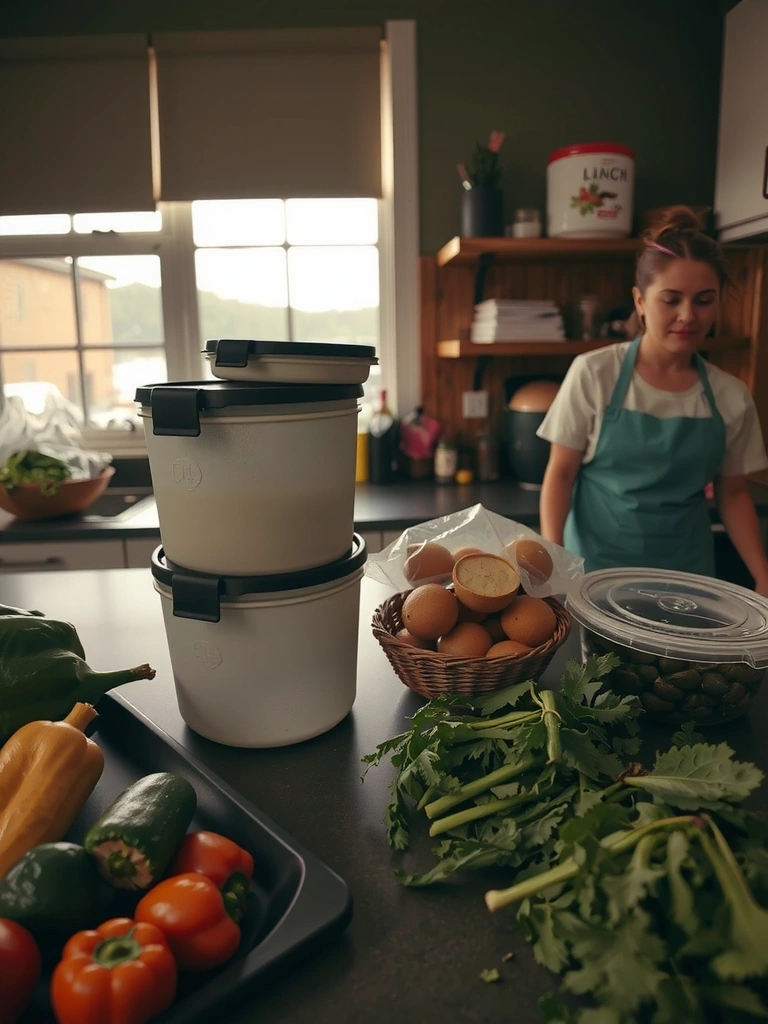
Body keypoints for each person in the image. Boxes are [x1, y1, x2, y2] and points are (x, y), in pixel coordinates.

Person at [538, 206, 768, 592]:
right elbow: (561, 474)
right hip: (595, 574)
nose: (687, 315)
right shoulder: (596, 373)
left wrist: (763, 573)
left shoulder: (730, 395)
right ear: (640, 301)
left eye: (704, 300)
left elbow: (733, 493)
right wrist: (553, 560)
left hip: (688, 578)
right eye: (671, 299)